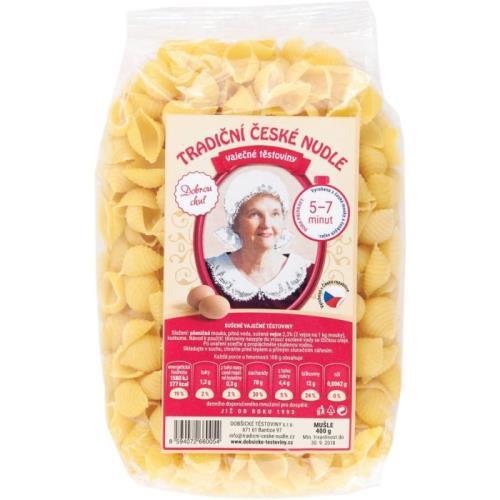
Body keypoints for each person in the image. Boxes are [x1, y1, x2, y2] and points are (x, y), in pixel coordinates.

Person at [205, 169, 313, 308]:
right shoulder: (209, 271)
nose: (266, 224)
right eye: (254, 214)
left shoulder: (307, 274)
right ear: (235, 223)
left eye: (275, 214)